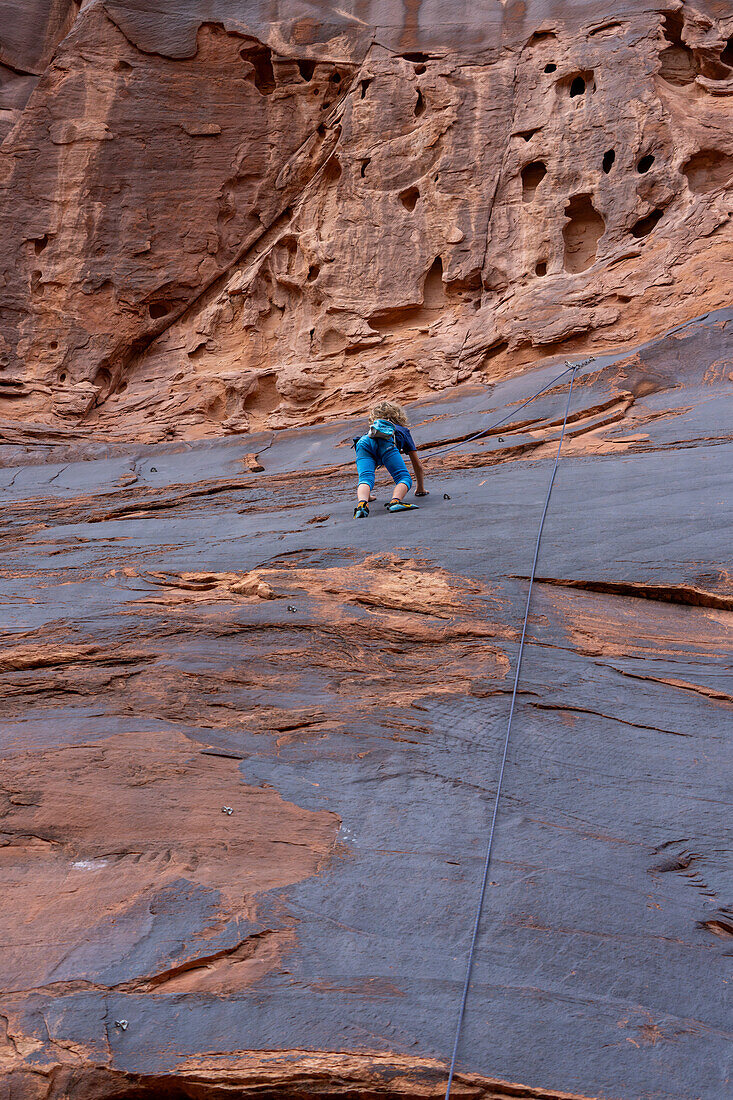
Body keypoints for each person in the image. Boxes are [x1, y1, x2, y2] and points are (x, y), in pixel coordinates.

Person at [353, 401, 427, 519]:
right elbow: (417, 464)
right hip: (386, 443)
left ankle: (362, 504)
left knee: (365, 478)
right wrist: (420, 488)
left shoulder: (373, 430)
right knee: (403, 477)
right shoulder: (402, 430)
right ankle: (395, 502)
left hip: (362, 442)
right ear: (399, 416)